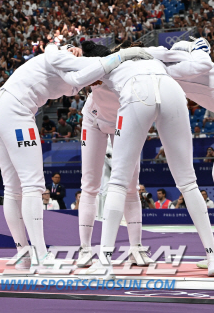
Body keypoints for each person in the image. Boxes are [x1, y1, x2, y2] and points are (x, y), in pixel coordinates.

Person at [0, 40, 149, 271]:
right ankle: (41, 257)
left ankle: (23, 255)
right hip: (15, 111)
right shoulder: (68, 59)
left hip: (0, 109)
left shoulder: (71, 61)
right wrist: (123, 55)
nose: (96, 82)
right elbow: (64, 58)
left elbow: (80, 68)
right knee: (32, 186)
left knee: (13, 189)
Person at [80, 38, 214, 277]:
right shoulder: (149, 52)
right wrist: (194, 48)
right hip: (170, 87)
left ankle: (105, 260)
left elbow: (74, 80)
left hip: (137, 92)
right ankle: (213, 255)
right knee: (188, 181)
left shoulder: (104, 66)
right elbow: (185, 59)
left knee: (118, 181)